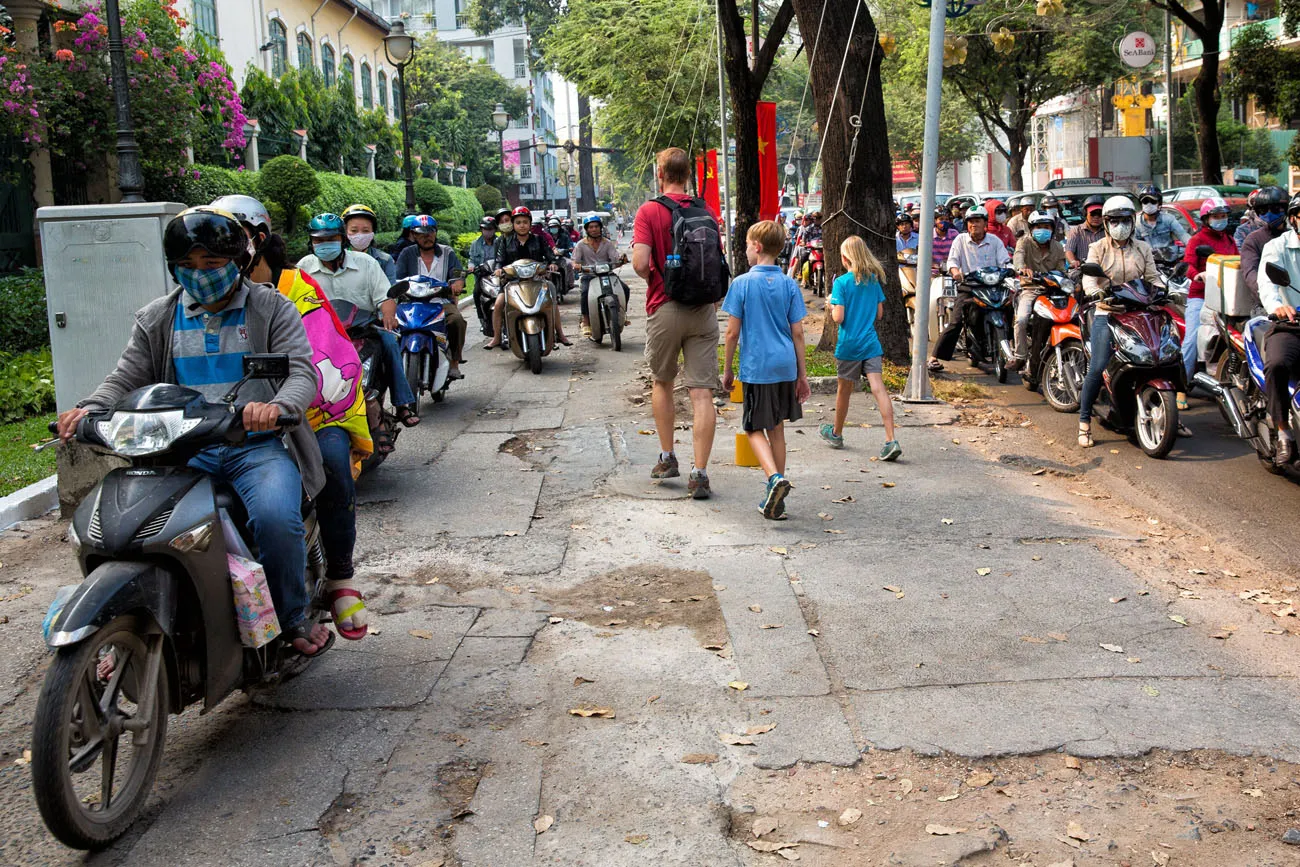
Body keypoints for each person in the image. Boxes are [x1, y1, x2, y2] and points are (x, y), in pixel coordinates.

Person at [56, 207, 333, 656]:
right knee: (121, 527)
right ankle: (118, 633)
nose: (200, 275)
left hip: (253, 446)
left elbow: (301, 373)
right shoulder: (157, 317)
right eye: (187, 266)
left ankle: (291, 619)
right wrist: (89, 408)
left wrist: (278, 407)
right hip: (181, 450)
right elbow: (124, 378)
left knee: (274, 519)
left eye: (211, 264)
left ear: (237, 261)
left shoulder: (271, 307)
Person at [217, 195, 373, 642]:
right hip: (223, 423)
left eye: (225, 245)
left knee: (331, 463)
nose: (209, 265)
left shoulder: (294, 289)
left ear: (257, 241)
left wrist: (284, 403)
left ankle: (340, 575)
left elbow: (319, 361)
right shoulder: (185, 302)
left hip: (306, 413)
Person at [632, 147, 722, 498]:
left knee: (663, 381)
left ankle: (668, 457)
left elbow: (640, 262)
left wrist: (658, 279)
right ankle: (700, 473)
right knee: (702, 393)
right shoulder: (706, 210)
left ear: (660, 173)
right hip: (703, 309)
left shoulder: (649, 210)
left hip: (665, 305)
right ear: (688, 175)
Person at [299, 212, 422, 431]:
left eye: (331, 240)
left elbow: (385, 296)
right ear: (311, 242)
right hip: (322, 337)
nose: (324, 244)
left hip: (364, 330)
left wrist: (388, 315)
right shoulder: (304, 268)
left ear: (342, 240)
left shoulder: (366, 263)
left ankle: (402, 403)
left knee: (389, 341)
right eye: (319, 240)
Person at [721, 220, 809, 519]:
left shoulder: (742, 283)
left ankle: (773, 479)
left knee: (752, 427)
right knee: (778, 429)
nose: (746, 250)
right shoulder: (789, 284)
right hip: (785, 365)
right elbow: (798, 333)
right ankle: (776, 499)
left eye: (747, 245)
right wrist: (802, 374)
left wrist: (727, 368)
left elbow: (732, 333)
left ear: (757, 247)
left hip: (757, 366)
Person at [1077, 196, 1164, 448]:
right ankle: (1084, 422)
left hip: (1139, 311)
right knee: (1097, 365)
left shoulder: (1142, 248)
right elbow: (1089, 277)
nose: (1120, 225)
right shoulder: (1098, 248)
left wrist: (1163, 290)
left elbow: (1152, 276)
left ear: (1132, 221)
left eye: (1125, 220)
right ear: (1106, 223)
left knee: (1162, 356)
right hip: (1107, 311)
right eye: (1115, 221)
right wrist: (1095, 291)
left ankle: (1168, 415)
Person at [819, 234, 900, 460]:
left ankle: (836, 433)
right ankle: (890, 439)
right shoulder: (873, 280)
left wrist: (830, 304)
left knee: (844, 390)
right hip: (870, 342)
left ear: (845, 258)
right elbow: (880, 313)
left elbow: (838, 317)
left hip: (849, 345)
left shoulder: (841, 283)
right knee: (878, 388)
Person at [928, 205, 1010, 370]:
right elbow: (952, 261)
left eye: (977, 221)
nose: (974, 225)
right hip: (969, 287)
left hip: (993, 287)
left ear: (985, 223)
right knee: (956, 321)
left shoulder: (995, 241)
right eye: (971, 222)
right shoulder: (960, 240)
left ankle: (1013, 352)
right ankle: (934, 357)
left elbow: (1004, 261)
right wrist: (955, 271)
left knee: (1009, 310)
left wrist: (1011, 268)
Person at [1181, 197, 1239, 410]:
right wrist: (1199, 275)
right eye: (1216, 216)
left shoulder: (1230, 240)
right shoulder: (1197, 240)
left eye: (1223, 216)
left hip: (1227, 298)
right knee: (1191, 340)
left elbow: (1237, 263)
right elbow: (1188, 265)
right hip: (1201, 296)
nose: (1220, 220)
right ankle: (1181, 387)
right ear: (1206, 219)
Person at [394, 215, 469, 380]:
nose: (426, 237)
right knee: (392, 328)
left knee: (456, 321)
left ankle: (454, 363)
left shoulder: (447, 252)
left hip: (439, 303)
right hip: (411, 304)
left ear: (435, 233)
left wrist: (458, 283)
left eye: (430, 233)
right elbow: (397, 277)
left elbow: (457, 273)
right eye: (421, 234)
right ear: (414, 235)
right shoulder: (406, 254)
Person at [485, 206, 571, 348]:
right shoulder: (504, 242)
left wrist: (553, 264)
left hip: (537, 280)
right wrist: (499, 270)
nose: (522, 225)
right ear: (513, 224)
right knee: (499, 303)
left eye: (525, 222)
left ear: (530, 224)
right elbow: (499, 260)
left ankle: (559, 334)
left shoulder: (539, 239)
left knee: (552, 299)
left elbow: (550, 256)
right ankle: (497, 337)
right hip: (512, 282)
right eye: (518, 222)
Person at [1256, 192, 1300, 465]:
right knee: (1278, 364)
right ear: (1294, 218)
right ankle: (1283, 430)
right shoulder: (1278, 247)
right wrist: (1277, 306)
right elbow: (1267, 282)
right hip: (1290, 324)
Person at [1009, 210, 1068, 371]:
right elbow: (1018, 258)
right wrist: (1022, 269)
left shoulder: (1057, 246)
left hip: (1053, 291)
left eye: (1047, 227)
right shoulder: (1024, 242)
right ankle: (1020, 356)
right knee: (1021, 319)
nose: (1043, 230)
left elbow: (1062, 268)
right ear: (1031, 228)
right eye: (1039, 227)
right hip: (1030, 288)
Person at [573, 213, 627, 338]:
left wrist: (621, 259)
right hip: (589, 275)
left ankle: (622, 315)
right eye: (591, 227)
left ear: (600, 228)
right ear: (586, 229)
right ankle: (586, 321)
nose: (594, 229)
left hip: (607, 274)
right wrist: (577, 266)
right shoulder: (581, 244)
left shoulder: (607, 243)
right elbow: (575, 261)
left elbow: (615, 257)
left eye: (596, 226)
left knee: (625, 289)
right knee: (584, 292)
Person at [1241, 186, 1289, 301]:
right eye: (1263, 210)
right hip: (1266, 304)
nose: (1268, 214)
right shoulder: (1253, 240)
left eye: (1275, 209)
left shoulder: (1293, 237)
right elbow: (1251, 275)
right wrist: (1273, 301)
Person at [340, 204, 396, 284]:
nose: (360, 235)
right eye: (354, 230)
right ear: (344, 231)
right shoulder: (337, 259)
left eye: (365, 231)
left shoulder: (384, 260)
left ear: (373, 232)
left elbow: (391, 290)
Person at [1134, 185, 1190, 255]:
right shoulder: (1136, 223)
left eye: (1153, 201)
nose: (1149, 204)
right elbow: (1133, 246)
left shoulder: (1168, 219)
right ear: (1141, 204)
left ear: (1159, 203)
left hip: (1169, 261)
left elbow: (1183, 235)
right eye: (1145, 201)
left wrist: (1193, 246)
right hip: (1147, 263)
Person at [1064, 195, 1107, 268]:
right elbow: (1069, 250)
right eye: (1093, 214)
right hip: (1083, 270)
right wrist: (1073, 261)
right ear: (1085, 213)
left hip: (1106, 270)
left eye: (1099, 214)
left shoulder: (1108, 231)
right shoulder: (1076, 231)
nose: (1096, 217)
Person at [930, 206, 959, 271]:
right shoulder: (929, 235)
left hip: (952, 270)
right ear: (935, 220)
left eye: (946, 219)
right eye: (941, 219)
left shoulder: (954, 234)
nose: (944, 222)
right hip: (933, 271)